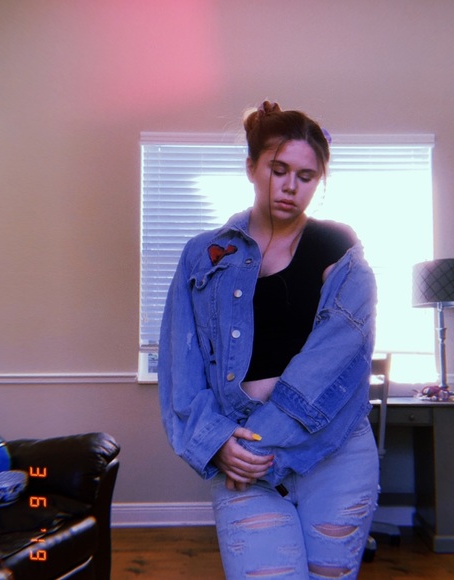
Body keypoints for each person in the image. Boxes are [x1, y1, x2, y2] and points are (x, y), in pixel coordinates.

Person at [159, 101, 379, 579]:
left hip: (335, 454)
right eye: (279, 170)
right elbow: (181, 366)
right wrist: (215, 442)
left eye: (306, 176)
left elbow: (337, 354)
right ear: (252, 168)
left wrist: (258, 443)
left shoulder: (338, 248)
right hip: (242, 458)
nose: (291, 186)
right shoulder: (203, 255)